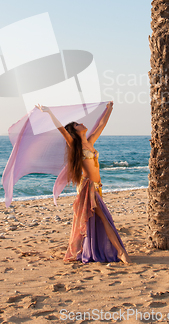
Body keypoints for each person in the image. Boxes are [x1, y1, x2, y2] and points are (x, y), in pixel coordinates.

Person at [36, 102, 130, 264]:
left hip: (97, 187)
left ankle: (94, 250)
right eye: (78, 124)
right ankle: (121, 253)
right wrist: (49, 112)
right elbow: (61, 129)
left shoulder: (91, 141)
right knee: (105, 219)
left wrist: (109, 109)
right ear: (75, 130)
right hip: (88, 187)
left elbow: (102, 124)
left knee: (100, 220)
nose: (82, 124)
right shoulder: (74, 145)